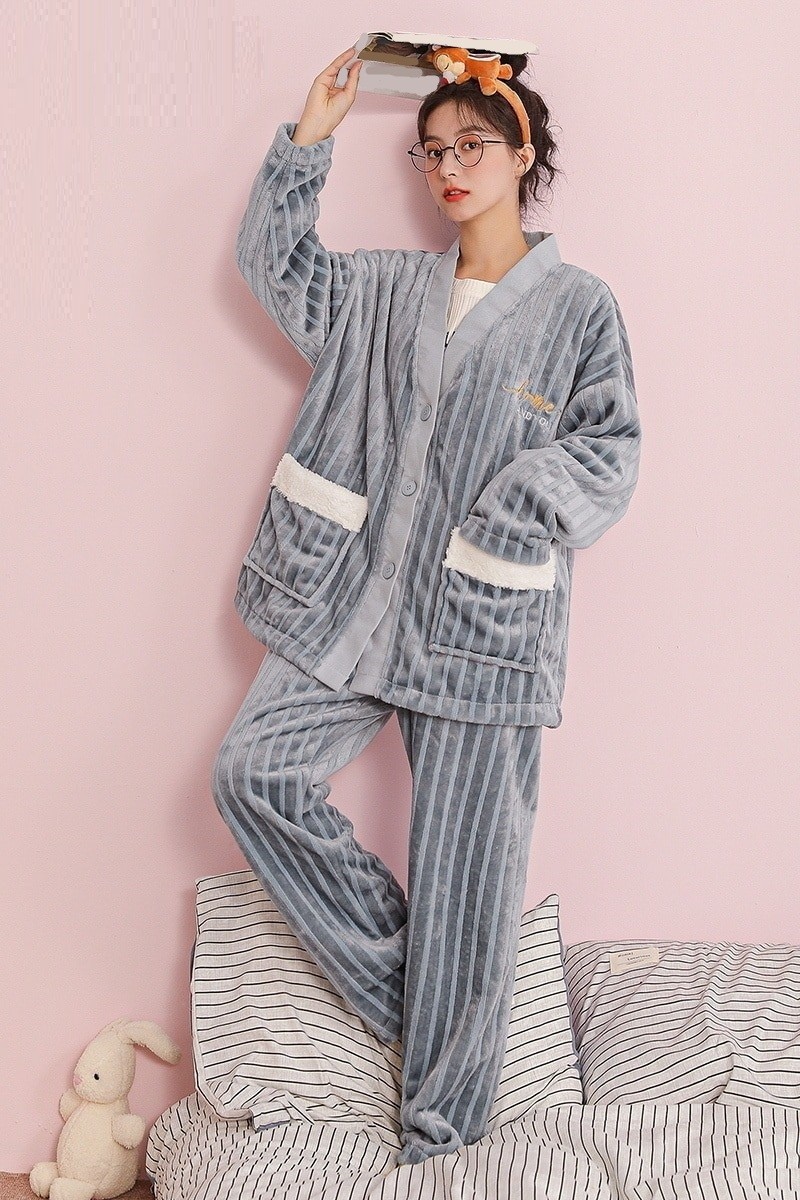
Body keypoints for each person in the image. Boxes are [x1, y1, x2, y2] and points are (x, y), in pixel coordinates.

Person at [212, 43, 642, 1167]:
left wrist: (517, 503)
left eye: (472, 147)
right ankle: (431, 1000)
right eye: (432, 151)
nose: (449, 167)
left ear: (522, 153)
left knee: (468, 879)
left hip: (482, 632)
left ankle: (438, 1142)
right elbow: (274, 264)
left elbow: (608, 452)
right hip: (350, 603)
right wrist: (311, 135)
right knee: (252, 773)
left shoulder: (579, 310)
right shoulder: (382, 291)